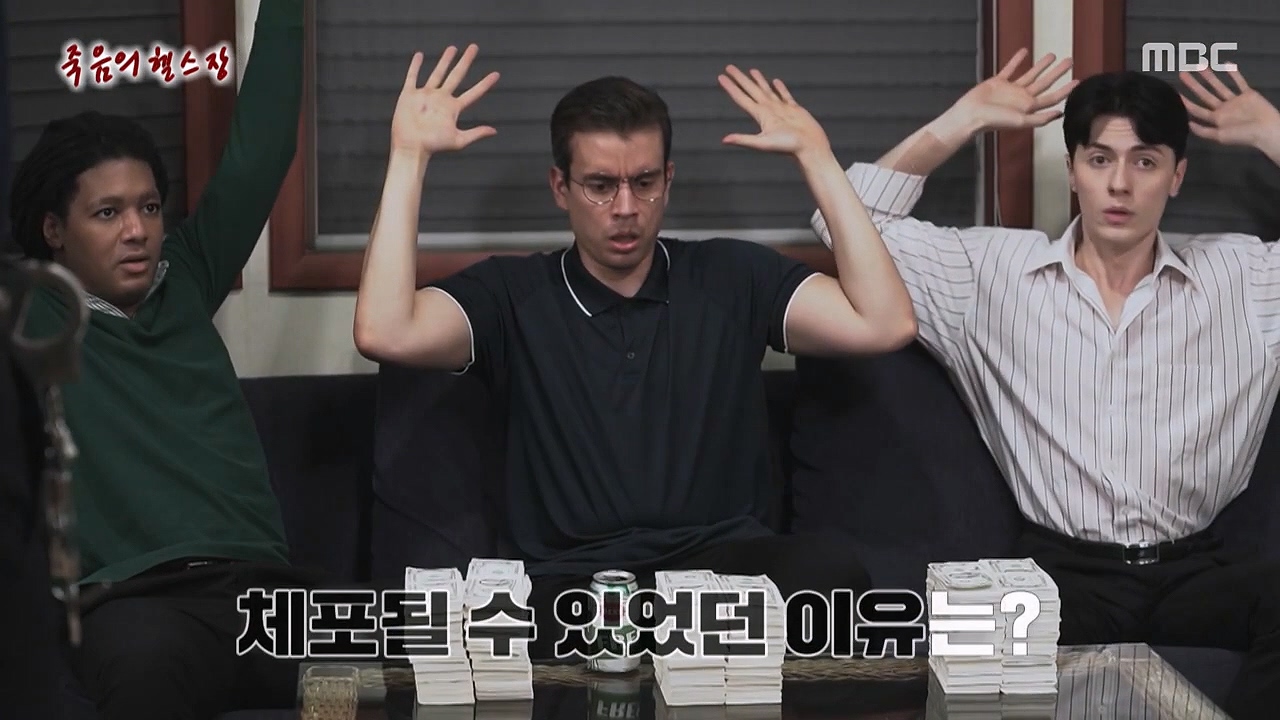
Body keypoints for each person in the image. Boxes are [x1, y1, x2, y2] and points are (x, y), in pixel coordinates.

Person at [353, 45, 918, 659]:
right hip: (568, 584)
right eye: (600, 186)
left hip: (722, 573)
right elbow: (385, 331)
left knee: (832, 578)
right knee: (478, 627)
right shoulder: (511, 293)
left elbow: (884, 324)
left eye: (644, 183)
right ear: (560, 187)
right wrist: (408, 157)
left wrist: (817, 158)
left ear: (668, 180)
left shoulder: (732, 275)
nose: (625, 209)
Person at [809, 48, 1280, 719]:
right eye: (1100, 159)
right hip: (1061, 577)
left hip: (1195, 571)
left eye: (1145, 162)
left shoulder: (1246, 281)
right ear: (1074, 170)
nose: (1120, 184)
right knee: (965, 633)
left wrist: (1271, 133)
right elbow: (842, 222)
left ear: (1176, 176)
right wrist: (961, 121)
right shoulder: (992, 275)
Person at [7, 1, 337, 718]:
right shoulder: (28, 315)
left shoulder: (186, 274)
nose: (137, 231)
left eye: (150, 208)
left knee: (413, 658)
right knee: (144, 672)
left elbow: (262, 148)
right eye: (108, 213)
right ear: (54, 229)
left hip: (267, 594)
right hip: (135, 603)